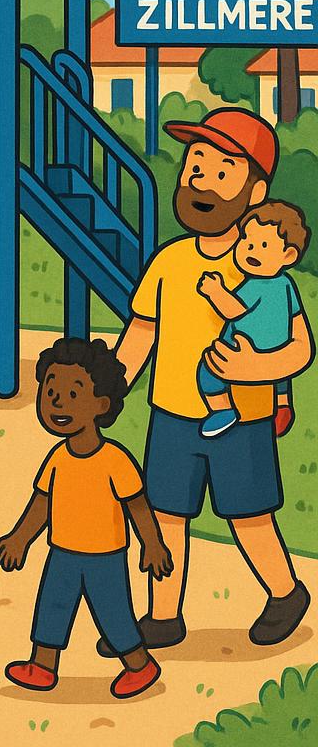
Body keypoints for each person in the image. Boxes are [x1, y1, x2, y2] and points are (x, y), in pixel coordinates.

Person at [103, 108, 314, 659]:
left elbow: (300, 349)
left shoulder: (266, 269)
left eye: (222, 171)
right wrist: (111, 387)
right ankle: (164, 615)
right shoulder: (170, 261)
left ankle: (286, 593)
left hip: (242, 415)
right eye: (195, 167)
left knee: (249, 514)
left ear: (255, 190)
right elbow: (142, 332)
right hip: (171, 413)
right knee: (166, 514)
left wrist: (254, 369)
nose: (201, 181)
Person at [0, 338, 172, 699]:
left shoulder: (115, 460)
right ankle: (42, 666)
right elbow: (40, 504)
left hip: (105, 557)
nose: (56, 401)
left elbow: (138, 506)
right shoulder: (57, 458)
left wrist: (152, 543)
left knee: (114, 615)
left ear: (101, 405)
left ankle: (140, 665)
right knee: (51, 608)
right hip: (62, 552)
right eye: (50, 391)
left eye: (72, 394)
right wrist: (19, 539)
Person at [196, 201, 309, 437]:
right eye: (247, 241)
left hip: (239, 348)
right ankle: (282, 402)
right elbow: (295, 314)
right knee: (281, 377)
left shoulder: (254, 286)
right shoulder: (287, 284)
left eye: (264, 245)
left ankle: (222, 410)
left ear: (288, 255)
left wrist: (215, 291)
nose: (251, 250)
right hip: (276, 347)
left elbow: (233, 310)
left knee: (207, 372)